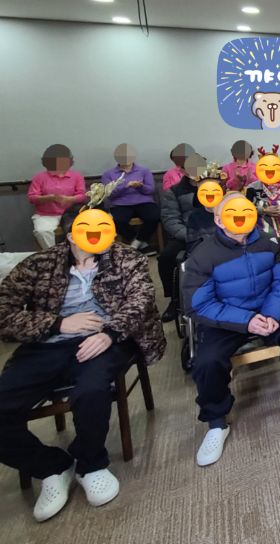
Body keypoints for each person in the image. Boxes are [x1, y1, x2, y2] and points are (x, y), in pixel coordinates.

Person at [0, 204, 165, 522]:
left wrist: (110, 333)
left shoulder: (126, 258)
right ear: (71, 234)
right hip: (46, 345)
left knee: (91, 392)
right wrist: (57, 324)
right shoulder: (40, 264)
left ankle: (91, 463)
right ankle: (51, 466)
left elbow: (141, 299)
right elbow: (4, 311)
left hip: (105, 339)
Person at [182, 193, 280, 467]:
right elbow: (199, 304)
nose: (241, 219)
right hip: (227, 319)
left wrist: (271, 312)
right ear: (219, 220)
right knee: (206, 362)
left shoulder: (269, 244)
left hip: (268, 310)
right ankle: (217, 423)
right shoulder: (203, 255)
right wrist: (246, 320)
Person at [158, 154, 205, 322]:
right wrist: (190, 235)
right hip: (187, 234)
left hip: (215, 232)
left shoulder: (216, 187)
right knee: (166, 258)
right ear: (183, 171)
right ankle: (174, 300)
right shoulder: (174, 191)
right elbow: (170, 219)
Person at [101, 144, 159, 255]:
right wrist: (126, 186)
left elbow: (150, 190)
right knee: (116, 220)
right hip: (120, 204)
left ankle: (135, 244)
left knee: (154, 216)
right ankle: (142, 244)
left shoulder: (144, 170)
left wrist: (140, 186)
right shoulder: (108, 174)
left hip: (144, 202)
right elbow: (109, 194)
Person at [27, 144, 86, 250]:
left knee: (80, 229)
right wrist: (49, 198)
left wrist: (70, 199)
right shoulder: (39, 177)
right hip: (46, 215)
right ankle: (53, 254)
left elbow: (82, 196)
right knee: (42, 231)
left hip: (70, 213)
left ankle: (76, 254)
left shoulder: (77, 176)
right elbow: (32, 198)